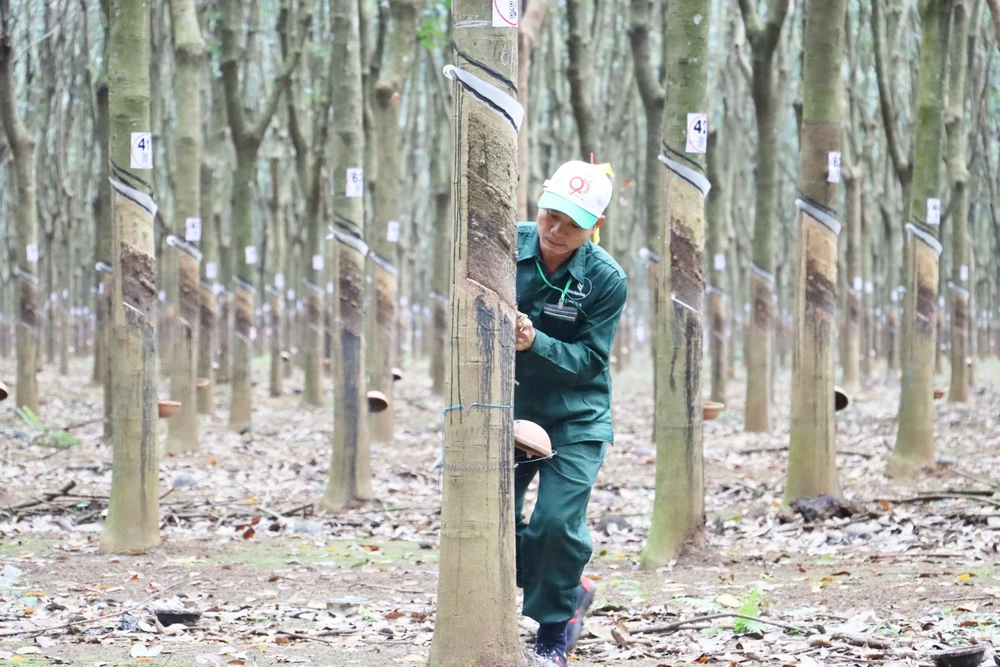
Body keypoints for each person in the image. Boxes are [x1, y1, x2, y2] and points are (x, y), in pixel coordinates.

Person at [514, 160, 628, 667]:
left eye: (573, 223)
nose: (556, 231)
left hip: (576, 413)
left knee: (557, 525)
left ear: (595, 228)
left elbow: (590, 362)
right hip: (508, 407)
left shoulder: (606, 280)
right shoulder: (500, 246)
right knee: (489, 520)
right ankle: (569, 586)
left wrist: (536, 341)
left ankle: (554, 629)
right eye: (549, 214)